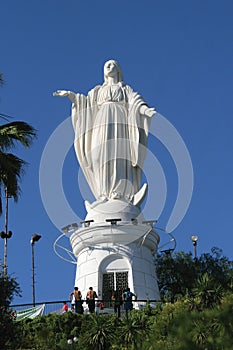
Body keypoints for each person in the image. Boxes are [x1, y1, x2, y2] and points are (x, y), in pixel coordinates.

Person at [53, 60, 156, 207]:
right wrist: (71, 96)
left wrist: (145, 111)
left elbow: (136, 102)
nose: (109, 66)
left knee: (118, 155)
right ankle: (103, 193)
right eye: (106, 64)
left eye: (113, 64)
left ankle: (119, 192)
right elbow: (86, 103)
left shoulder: (125, 89)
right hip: (101, 122)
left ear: (119, 69)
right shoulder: (96, 91)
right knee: (99, 155)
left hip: (120, 122)